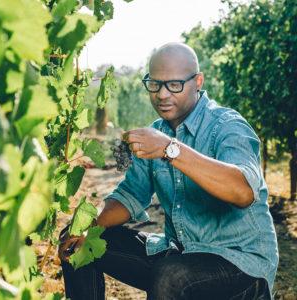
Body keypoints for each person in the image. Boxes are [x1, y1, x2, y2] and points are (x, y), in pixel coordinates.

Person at [59, 42, 278, 300]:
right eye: (155, 84)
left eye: (174, 85)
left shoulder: (227, 126)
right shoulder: (157, 134)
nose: (162, 94)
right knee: (77, 240)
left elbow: (243, 192)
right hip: (182, 255)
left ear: (198, 81)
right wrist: (86, 226)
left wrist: (170, 149)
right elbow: (128, 197)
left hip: (241, 265)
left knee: (170, 277)